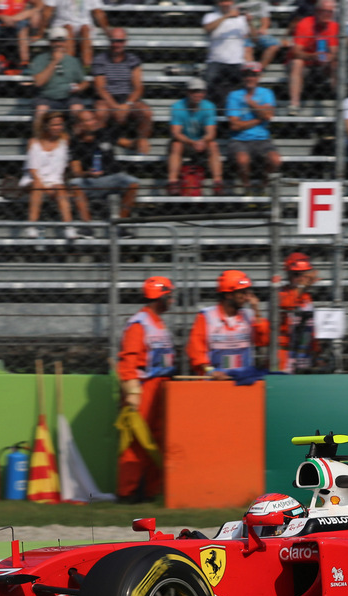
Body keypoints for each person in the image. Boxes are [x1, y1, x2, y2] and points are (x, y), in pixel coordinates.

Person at [116, 275, 176, 501]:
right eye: (169, 296)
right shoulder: (139, 324)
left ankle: (151, 491)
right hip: (144, 388)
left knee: (158, 439)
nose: (172, 300)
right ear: (160, 296)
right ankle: (128, 491)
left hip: (161, 386)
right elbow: (128, 360)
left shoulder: (158, 323)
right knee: (135, 441)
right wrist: (132, 392)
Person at [186, 269, 270, 378]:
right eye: (242, 292)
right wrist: (211, 371)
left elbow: (263, 341)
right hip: (215, 381)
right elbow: (196, 351)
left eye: (248, 292)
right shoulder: (206, 316)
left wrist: (257, 312)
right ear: (228, 295)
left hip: (243, 380)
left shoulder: (249, 315)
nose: (247, 297)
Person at [69, 109, 138, 234]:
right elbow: (76, 171)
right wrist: (87, 173)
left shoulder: (105, 133)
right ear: (80, 125)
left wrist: (139, 141)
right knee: (75, 184)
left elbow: (128, 144)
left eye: (94, 118)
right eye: (89, 120)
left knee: (133, 183)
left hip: (114, 177)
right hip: (91, 181)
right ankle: (87, 227)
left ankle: (119, 225)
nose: (94, 122)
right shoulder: (75, 142)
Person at [91, 29, 152, 155]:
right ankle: (102, 146)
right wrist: (115, 107)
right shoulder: (100, 59)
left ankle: (141, 142)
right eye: (113, 41)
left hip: (127, 98)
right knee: (100, 111)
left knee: (146, 112)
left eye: (119, 41)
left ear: (125, 42)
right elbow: (100, 88)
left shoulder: (132, 59)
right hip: (108, 99)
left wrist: (127, 105)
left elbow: (138, 87)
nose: (116, 44)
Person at [225, 61, 280, 195]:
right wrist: (259, 118)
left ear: (259, 77)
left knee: (275, 160)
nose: (250, 78)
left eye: (253, 75)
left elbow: (269, 116)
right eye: (247, 75)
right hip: (239, 140)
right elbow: (234, 125)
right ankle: (247, 187)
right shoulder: (234, 95)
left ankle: (263, 186)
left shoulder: (267, 93)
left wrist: (251, 103)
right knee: (242, 160)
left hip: (262, 138)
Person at [21, 110, 75, 241]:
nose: (57, 128)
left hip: (55, 181)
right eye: (54, 124)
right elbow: (33, 170)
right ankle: (31, 225)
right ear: (46, 125)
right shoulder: (34, 142)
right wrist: (45, 188)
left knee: (60, 189)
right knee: (37, 187)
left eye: (60, 124)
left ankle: (69, 227)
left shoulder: (64, 140)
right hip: (35, 179)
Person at [167, 77, 222, 196]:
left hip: (202, 142)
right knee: (176, 145)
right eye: (194, 91)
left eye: (201, 91)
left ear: (204, 93)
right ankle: (173, 182)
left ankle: (217, 182)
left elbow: (211, 133)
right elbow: (176, 133)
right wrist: (192, 143)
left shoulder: (209, 106)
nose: (198, 94)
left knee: (213, 145)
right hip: (185, 142)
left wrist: (202, 141)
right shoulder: (177, 107)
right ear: (188, 92)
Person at [287, 0, 338, 114]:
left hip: (322, 65)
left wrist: (329, 57)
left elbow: (334, 51)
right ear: (317, 11)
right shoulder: (305, 24)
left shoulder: (333, 26)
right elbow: (296, 52)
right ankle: (294, 104)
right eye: (325, 12)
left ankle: (339, 102)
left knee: (335, 63)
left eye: (331, 12)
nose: (328, 15)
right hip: (305, 64)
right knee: (297, 62)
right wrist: (312, 56)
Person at [29, 27, 89, 122]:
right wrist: (54, 61)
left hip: (68, 97)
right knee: (41, 111)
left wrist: (79, 87)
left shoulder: (73, 61)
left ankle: (74, 136)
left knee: (77, 109)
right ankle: (39, 136)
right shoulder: (39, 59)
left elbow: (84, 82)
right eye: (54, 41)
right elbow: (38, 83)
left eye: (61, 41)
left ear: (66, 42)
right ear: (50, 42)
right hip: (46, 97)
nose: (58, 44)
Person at [202, 0, 250, 114]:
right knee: (206, 87)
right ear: (218, 3)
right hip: (216, 61)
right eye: (223, 1)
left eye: (228, 1)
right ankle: (208, 114)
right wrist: (227, 16)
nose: (226, 4)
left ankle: (242, 112)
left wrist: (250, 22)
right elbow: (207, 29)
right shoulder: (210, 16)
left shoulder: (241, 18)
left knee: (246, 86)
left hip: (237, 61)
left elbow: (253, 37)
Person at [274, 251, 318, 371]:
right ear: (289, 275)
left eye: (303, 274)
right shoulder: (281, 293)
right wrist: (301, 287)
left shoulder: (307, 297)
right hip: (285, 352)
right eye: (296, 275)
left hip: (304, 351)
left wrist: (316, 351)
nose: (300, 278)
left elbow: (311, 326)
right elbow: (287, 305)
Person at [38, 0, 109, 67]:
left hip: (84, 25)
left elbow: (98, 12)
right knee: (68, 29)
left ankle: (86, 65)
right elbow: (47, 12)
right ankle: (69, 66)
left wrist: (108, 33)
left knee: (85, 30)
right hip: (62, 23)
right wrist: (40, 33)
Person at [0, 0, 33, 73]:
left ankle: (25, 63)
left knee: (23, 26)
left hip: (15, 26)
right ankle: (1, 61)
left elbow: (39, 6)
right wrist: (1, 17)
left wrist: (18, 17)